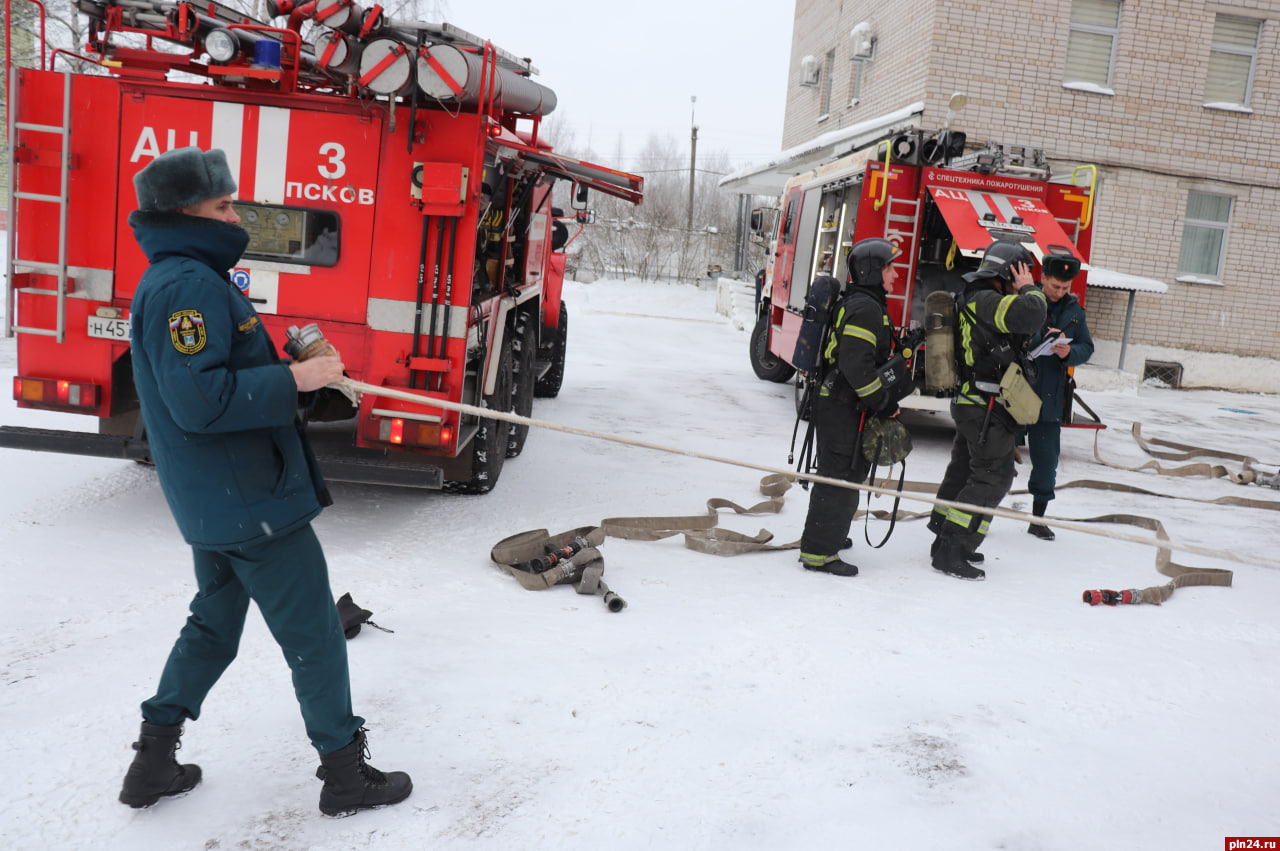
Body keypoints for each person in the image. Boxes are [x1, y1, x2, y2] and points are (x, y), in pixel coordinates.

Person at [119, 146, 411, 817]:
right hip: (249, 501)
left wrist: (289, 366)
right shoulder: (187, 285)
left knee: (213, 627)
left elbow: (204, 383)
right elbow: (201, 402)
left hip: (216, 503)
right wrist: (297, 378)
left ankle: (152, 762)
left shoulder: (187, 276)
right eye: (222, 205)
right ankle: (344, 776)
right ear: (184, 211)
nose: (234, 214)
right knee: (315, 633)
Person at [928, 239, 1048, 580]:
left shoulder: (976, 297)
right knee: (993, 476)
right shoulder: (986, 299)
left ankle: (943, 535)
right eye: (1020, 274)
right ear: (1008, 273)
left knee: (965, 471)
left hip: (975, 405)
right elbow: (1031, 314)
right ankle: (953, 547)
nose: (1022, 282)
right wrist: (1031, 289)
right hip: (984, 407)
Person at [798, 238, 907, 576]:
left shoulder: (866, 303)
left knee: (846, 473)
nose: (895, 275)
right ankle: (818, 553)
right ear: (873, 271)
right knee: (838, 477)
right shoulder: (865, 308)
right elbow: (856, 368)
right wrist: (884, 404)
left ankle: (829, 534)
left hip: (843, 405)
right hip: (842, 407)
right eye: (889, 268)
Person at [1024, 252, 1095, 540]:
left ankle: (1037, 519)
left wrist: (1070, 353)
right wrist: (1038, 340)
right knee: (997, 458)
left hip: (1051, 398)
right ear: (1043, 279)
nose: (1059, 292)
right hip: (1018, 392)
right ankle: (983, 515)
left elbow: (1087, 347)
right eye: (1055, 286)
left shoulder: (1076, 313)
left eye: (1065, 288)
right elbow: (1009, 338)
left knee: (1046, 462)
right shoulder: (1027, 304)